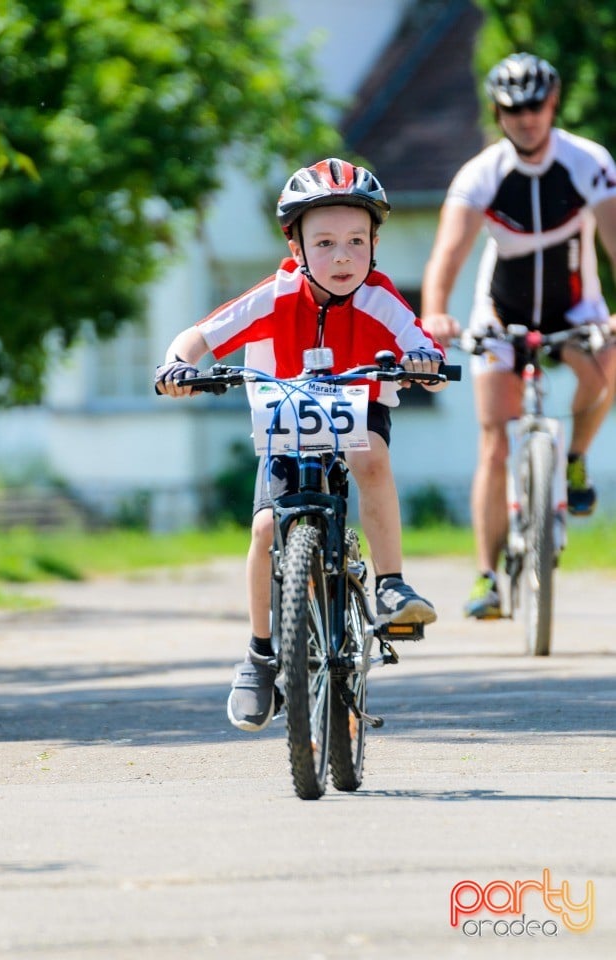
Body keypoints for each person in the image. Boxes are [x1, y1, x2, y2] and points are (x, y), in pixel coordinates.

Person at [155, 157, 448, 731]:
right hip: (286, 418)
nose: (343, 257)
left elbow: (422, 342)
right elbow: (201, 335)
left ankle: (390, 585)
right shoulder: (274, 295)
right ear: (296, 249)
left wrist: (425, 362)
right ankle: (261, 654)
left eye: (357, 242)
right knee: (266, 529)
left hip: (357, 410)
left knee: (369, 455)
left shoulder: (380, 297)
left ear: (374, 244)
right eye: (326, 243)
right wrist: (177, 365)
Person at [421, 52, 616, 620]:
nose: (526, 118)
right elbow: (447, 254)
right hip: (499, 311)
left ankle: (574, 456)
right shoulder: (480, 174)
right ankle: (486, 577)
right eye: (513, 109)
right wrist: (435, 311)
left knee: (607, 369)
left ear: (552, 105)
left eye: (535, 106)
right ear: (498, 112)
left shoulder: (589, 162)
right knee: (493, 438)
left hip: (575, 304)